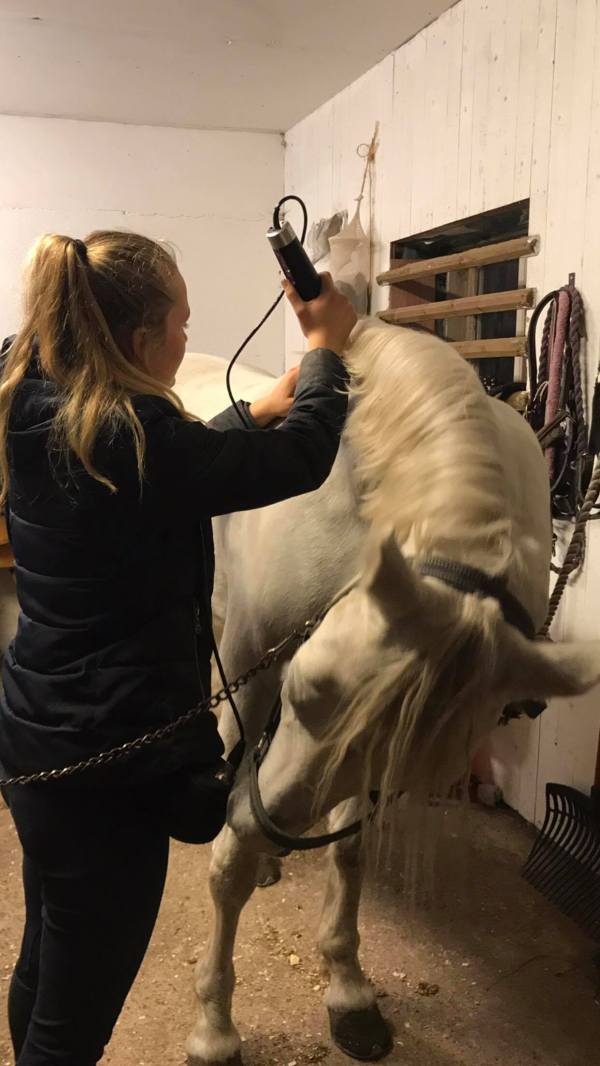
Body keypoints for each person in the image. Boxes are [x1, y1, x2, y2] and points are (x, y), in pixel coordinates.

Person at [0, 230, 356, 1065]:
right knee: (74, 1023)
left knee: (47, 953)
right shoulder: (138, 434)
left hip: (37, 742)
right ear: (138, 342)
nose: (188, 336)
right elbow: (303, 457)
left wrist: (251, 412)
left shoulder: (34, 392)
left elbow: (160, 475)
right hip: (110, 768)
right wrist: (325, 350)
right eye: (182, 325)